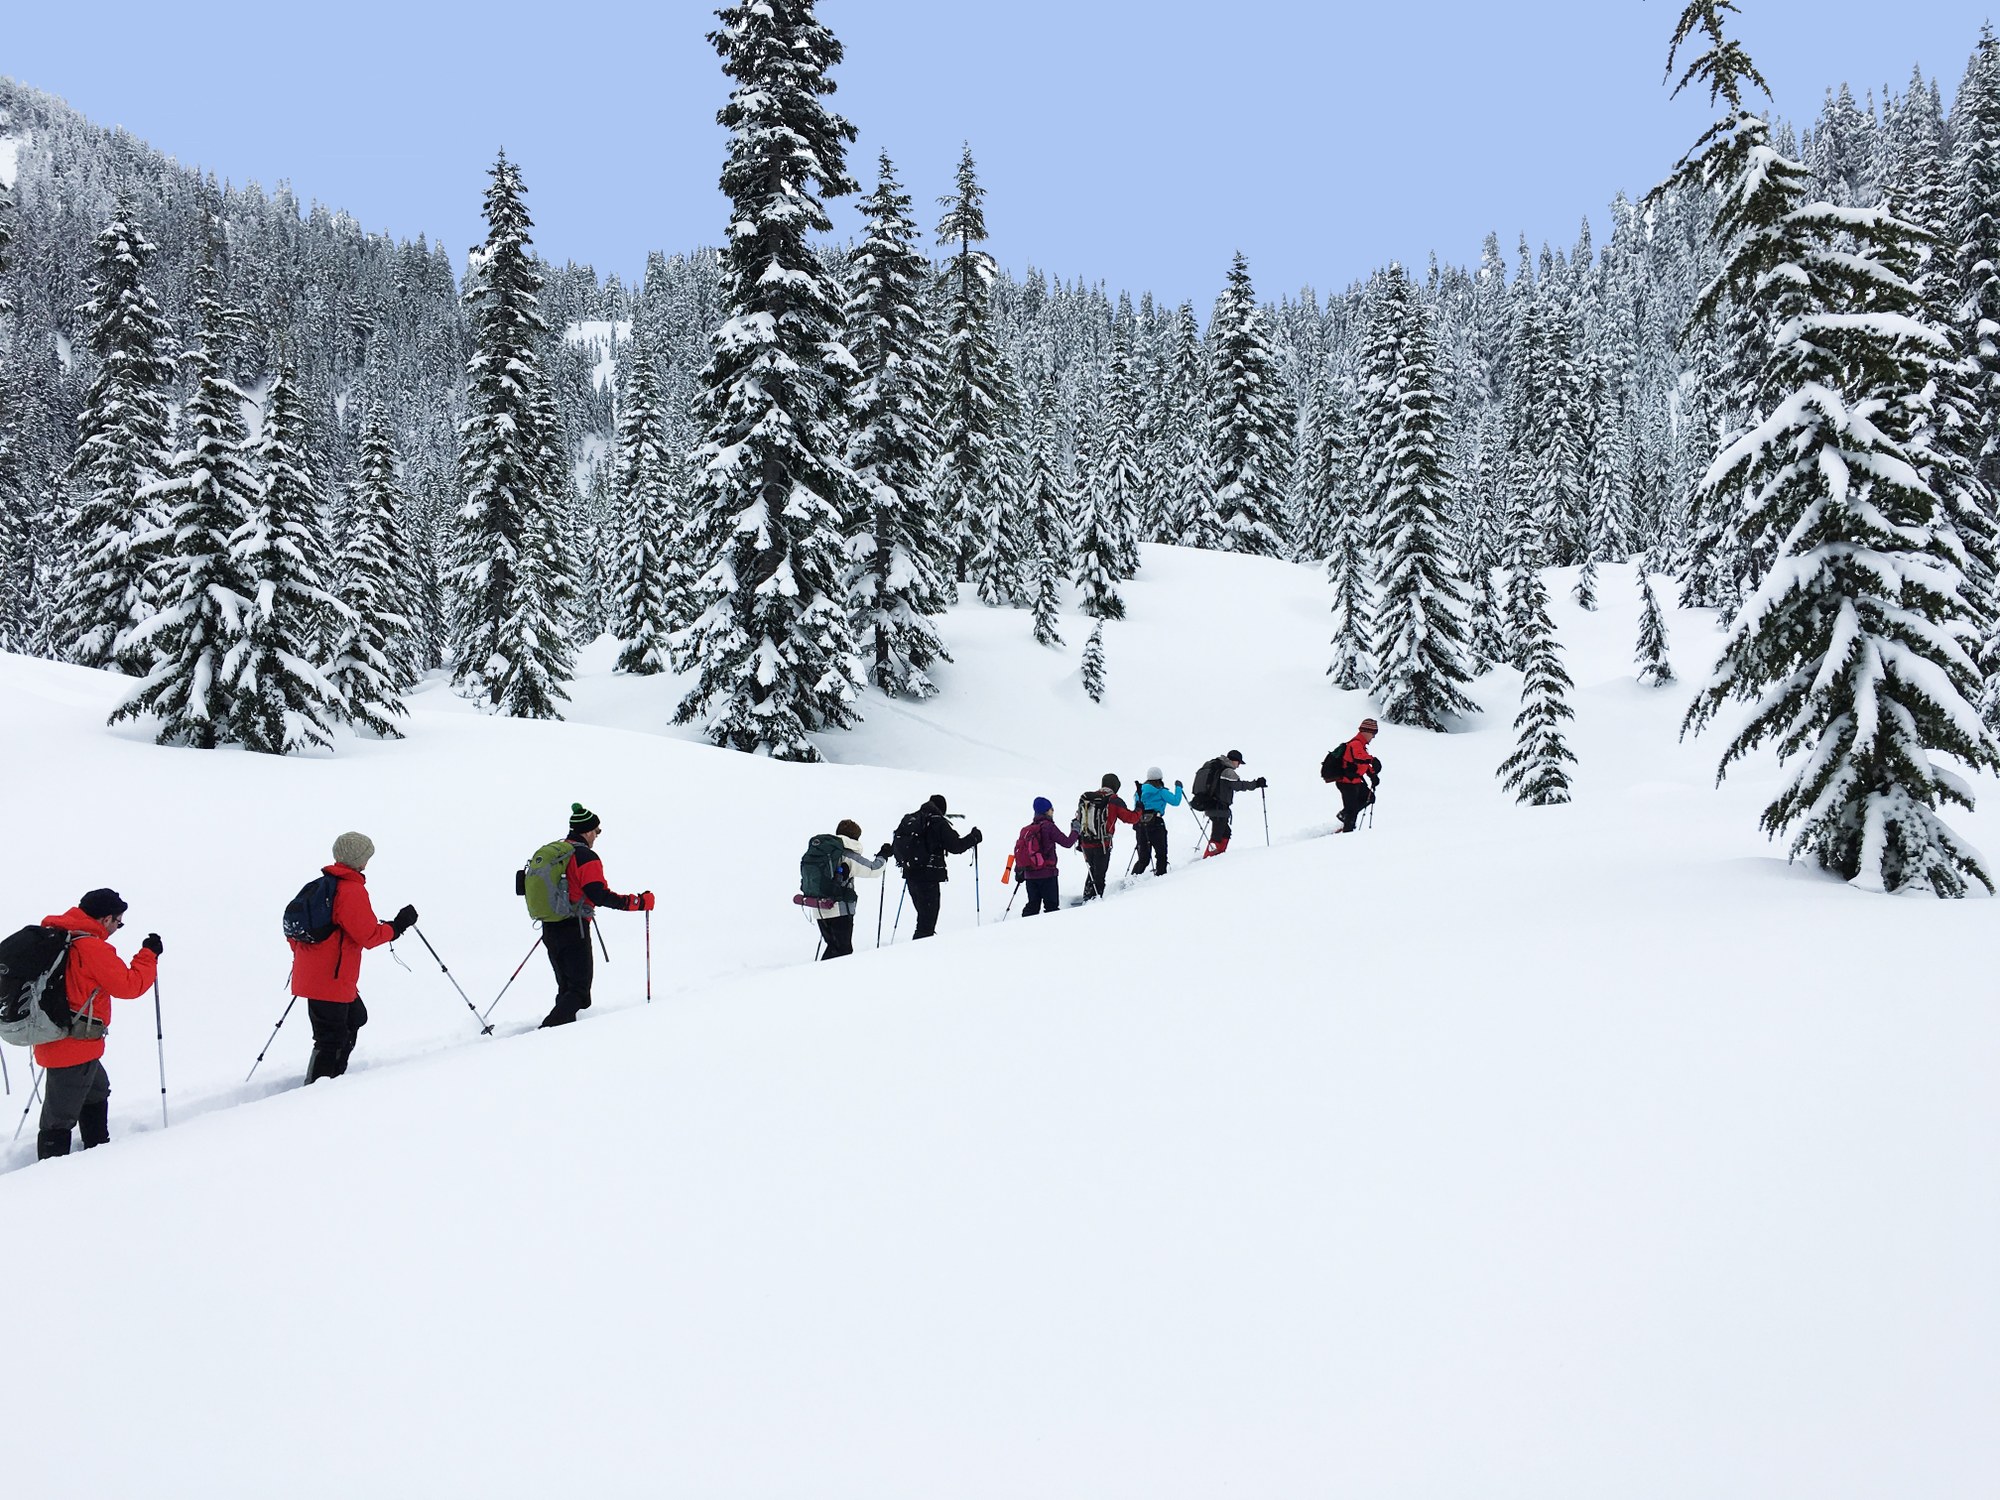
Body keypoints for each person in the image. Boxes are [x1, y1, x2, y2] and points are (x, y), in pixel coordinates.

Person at [32, 889, 161, 1160]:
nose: (118, 928)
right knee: (59, 1117)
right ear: (105, 919)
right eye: (118, 922)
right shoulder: (90, 947)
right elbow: (130, 985)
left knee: (97, 1088)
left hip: (61, 1038)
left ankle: (97, 1150)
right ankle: (47, 1175)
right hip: (72, 1044)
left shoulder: (60, 936)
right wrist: (148, 955)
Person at [289, 832, 418, 1083]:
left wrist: (311, 962)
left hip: (318, 976)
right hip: (331, 980)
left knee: (355, 1018)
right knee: (331, 1038)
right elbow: (368, 936)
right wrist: (399, 926)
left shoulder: (318, 886)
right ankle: (318, 1089)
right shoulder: (349, 890)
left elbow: (293, 932)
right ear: (360, 860)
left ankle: (333, 1078)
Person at [539, 803, 653, 1028]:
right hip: (574, 929)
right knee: (580, 992)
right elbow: (598, 894)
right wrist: (637, 903)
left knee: (566, 988)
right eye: (597, 831)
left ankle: (558, 1036)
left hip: (550, 927)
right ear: (587, 831)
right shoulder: (585, 856)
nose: (597, 836)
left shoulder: (558, 853)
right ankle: (545, 1032)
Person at [894, 794, 982, 940]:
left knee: (923, 918)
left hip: (910, 876)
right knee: (926, 923)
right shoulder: (937, 822)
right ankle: (920, 952)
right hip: (928, 878)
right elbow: (955, 846)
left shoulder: (911, 819)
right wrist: (974, 838)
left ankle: (922, 948)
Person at [817, 819, 890, 959]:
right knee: (842, 951)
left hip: (819, 907)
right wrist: (883, 856)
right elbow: (873, 869)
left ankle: (822, 976)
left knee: (834, 947)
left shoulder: (824, 851)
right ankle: (825, 978)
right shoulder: (847, 855)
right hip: (839, 909)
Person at [1074, 773, 1142, 902]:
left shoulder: (1087, 798)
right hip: (1102, 843)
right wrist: (1139, 809)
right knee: (1099, 874)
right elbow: (1131, 818)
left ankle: (1088, 895)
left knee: (1092, 870)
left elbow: (1079, 817)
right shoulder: (1114, 800)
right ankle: (1094, 900)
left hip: (1085, 842)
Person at [1189, 749, 1266, 857]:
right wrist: (1256, 784)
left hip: (1211, 805)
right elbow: (1239, 786)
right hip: (1219, 807)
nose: (1238, 766)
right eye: (1239, 763)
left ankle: (1219, 856)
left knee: (1225, 832)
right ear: (1234, 760)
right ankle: (1209, 859)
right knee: (1217, 835)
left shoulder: (1217, 767)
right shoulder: (1227, 771)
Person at [1013, 797, 1079, 916]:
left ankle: (1024, 927)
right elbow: (1067, 842)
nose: (1053, 811)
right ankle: (1051, 932)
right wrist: (1076, 829)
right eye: (1051, 809)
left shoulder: (1027, 830)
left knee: (1032, 906)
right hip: (1047, 874)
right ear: (1046, 811)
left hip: (1030, 875)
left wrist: (1019, 871)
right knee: (1051, 907)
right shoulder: (1048, 827)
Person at [1326, 718, 1382, 833]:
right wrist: (1372, 760)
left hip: (1355, 782)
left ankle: (1345, 816)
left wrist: (1372, 775)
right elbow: (1359, 758)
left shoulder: (1361, 745)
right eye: (1373, 733)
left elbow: (1362, 763)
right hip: (1347, 783)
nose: (1373, 737)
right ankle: (1347, 833)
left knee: (1369, 798)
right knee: (1351, 811)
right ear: (1366, 732)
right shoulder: (1355, 744)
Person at [1131, 767, 1184, 876]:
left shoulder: (1139, 791)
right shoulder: (1161, 791)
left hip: (1140, 825)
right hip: (1156, 823)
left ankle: (1132, 879)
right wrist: (1178, 787)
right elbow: (1175, 801)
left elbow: (1136, 807)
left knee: (1143, 857)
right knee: (1161, 853)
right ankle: (1161, 876)